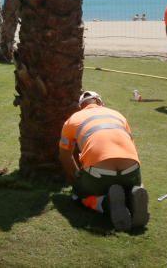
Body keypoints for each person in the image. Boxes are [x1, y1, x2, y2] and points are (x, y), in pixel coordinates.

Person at [59, 90, 149, 231]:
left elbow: (64, 155)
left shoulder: (73, 120)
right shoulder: (118, 115)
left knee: (80, 195)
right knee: (128, 183)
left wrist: (76, 180)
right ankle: (134, 192)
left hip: (99, 175)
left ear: (81, 107)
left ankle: (105, 203)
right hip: (131, 170)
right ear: (100, 102)